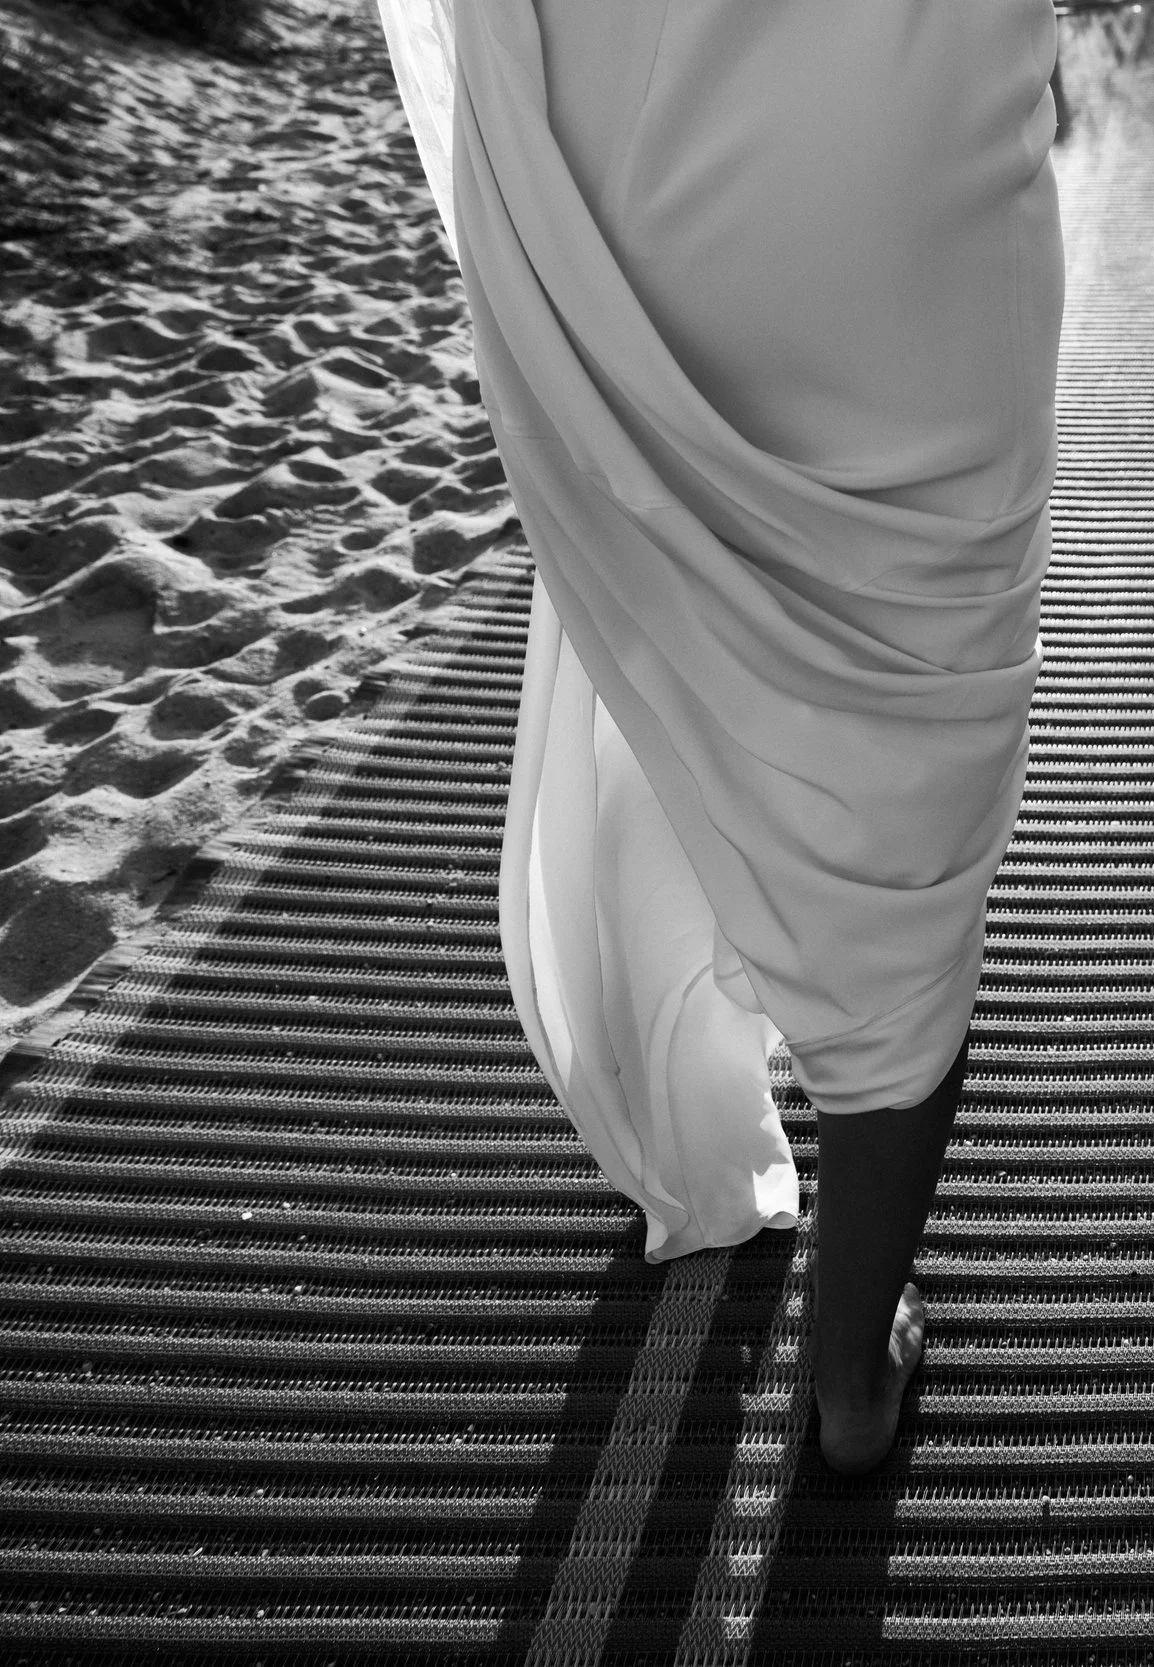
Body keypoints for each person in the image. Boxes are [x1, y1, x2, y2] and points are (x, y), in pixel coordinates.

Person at [374, 0, 1063, 1468]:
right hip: (908, 152)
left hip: (628, 147)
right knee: (907, 745)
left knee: (670, 616)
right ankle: (852, 1369)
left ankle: (717, 1050)